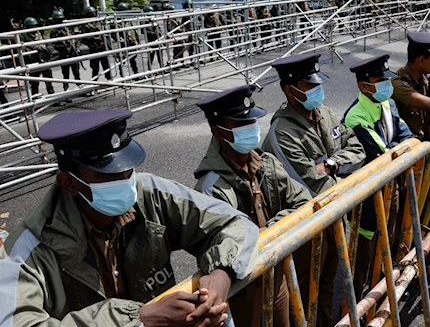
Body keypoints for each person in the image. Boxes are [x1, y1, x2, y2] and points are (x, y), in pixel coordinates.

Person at [0, 109, 259, 327]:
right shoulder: (28, 248)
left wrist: (222, 272)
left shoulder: (151, 194)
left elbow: (234, 223)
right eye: (106, 176)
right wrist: (138, 319)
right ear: (69, 184)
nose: (124, 182)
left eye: (127, 169)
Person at [194, 84, 313, 327]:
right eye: (241, 125)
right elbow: (224, 244)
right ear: (219, 132)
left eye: (252, 122)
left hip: (275, 270)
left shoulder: (265, 163)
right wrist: (263, 233)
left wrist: (269, 229)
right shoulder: (211, 187)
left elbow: (302, 199)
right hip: (242, 288)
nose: (252, 128)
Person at [262, 53, 366, 327]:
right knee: (307, 288)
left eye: (317, 83)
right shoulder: (282, 132)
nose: (318, 90)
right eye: (310, 86)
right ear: (290, 89)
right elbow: (312, 185)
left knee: (328, 283)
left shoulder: (326, 114)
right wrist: (347, 177)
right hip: (306, 227)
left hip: (334, 217)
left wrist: (331, 164)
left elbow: (358, 151)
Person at [342, 55, 413, 299]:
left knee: (389, 239)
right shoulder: (356, 116)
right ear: (364, 86)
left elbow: (407, 136)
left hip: (389, 187)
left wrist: (400, 147)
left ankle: (382, 289)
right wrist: (399, 148)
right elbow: (383, 153)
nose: (386, 85)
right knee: (363, 255)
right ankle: (358, 305)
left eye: (387, 80)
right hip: (367, 200)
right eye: (380, 81)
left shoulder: (387, 104)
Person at [20, 17, 56, 96]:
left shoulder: (39, 34)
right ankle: (35, 98)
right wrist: (33, 47)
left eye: (35, 26)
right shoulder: (23, 36)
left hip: (43, 59)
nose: (34, 28)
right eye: (31, 26)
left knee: (48, 80)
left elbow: (45, 43)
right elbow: (22, 47)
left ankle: (52, 96)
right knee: (34, 82)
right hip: (33, 60)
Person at [50, 9, 81, 92]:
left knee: (76, 72)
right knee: (66, 73)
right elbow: (53, 44)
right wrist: (63, 45)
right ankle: (66, 88)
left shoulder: (67, 28)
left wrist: (75, 47)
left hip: (72, 52)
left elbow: (74, 38)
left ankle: (80, 86)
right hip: (63, 53)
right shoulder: (54, 31)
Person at [80, 6, 113, 81]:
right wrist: (93, 39)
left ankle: (109, 78)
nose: (92, 14)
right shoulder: (85, 25)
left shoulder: (99, 22)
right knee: (95, 67)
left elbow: (106, 33)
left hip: (102, 47)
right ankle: (94, 81)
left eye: (93, 13)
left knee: (106, 65)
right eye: (90, 13)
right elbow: (84, 38)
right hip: (94, 48)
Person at [114, 3, 139, 76]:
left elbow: (133, 31)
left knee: (133, 59)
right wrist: (119, 39)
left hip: (130, 42)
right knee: (122, 61)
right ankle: (123, 77)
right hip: (122, 44)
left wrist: (137, 41)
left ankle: (135, 74)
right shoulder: (116, 21)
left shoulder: (128, 20)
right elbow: (113, 33)